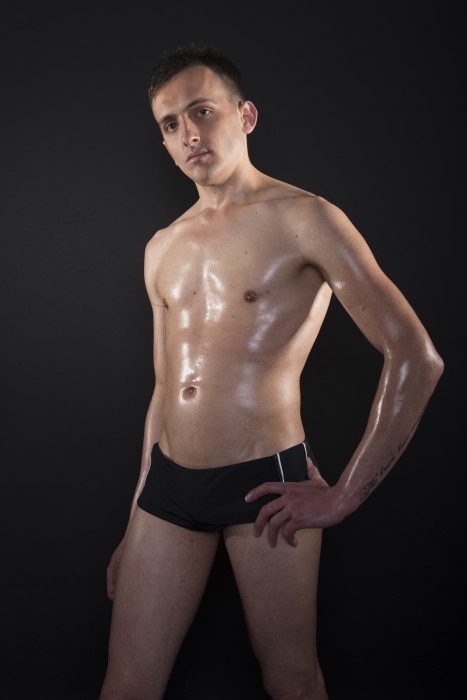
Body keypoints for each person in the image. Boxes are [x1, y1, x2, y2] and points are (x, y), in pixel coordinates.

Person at [98, 42, 444, 700]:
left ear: (245, 115)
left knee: (291, 680)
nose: (187, 134)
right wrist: (137, 517)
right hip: (166, 488)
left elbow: (415, 356)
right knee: (128, 684)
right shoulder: (161, 247)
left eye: (201, 111)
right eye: (169, 124)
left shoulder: (305, 218)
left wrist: (344, 495)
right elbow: (165, 389)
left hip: (264, 483)